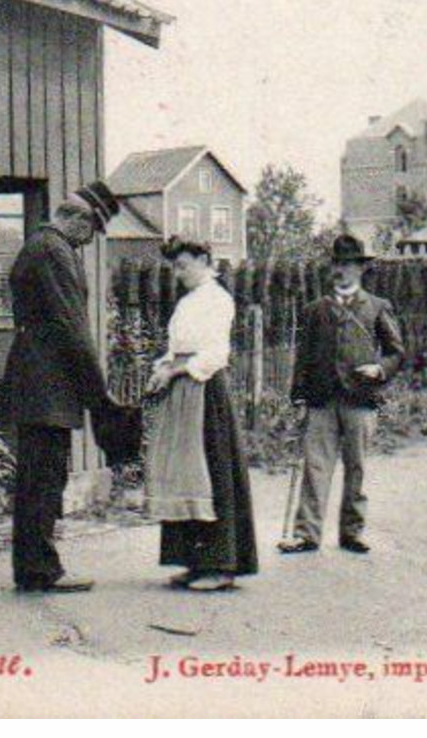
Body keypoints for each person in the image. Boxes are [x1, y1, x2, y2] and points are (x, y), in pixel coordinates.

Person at [4, 181, 123, 593]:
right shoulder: (55, 251)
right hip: (48, 383)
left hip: (39, 380)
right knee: (44, 477)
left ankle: (33, 567)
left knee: (38, 476)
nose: (89, 242)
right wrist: (99, 393)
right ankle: (40, 570)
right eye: (91, 231)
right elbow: (72, 326)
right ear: (77, 219)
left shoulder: (41, 245)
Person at [144, 237, 258, 592]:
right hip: (181, 391)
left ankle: (221, 565)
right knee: (184, 473)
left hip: (206, 392)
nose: (178, 274)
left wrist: (176, 371)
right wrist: (162, 367)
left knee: (213, 471)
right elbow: (176, 348)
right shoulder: (186, 302)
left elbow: (215, 353)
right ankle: (193, 562)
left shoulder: (218, 299)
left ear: (205, 260)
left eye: (184, 266)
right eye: (175, 268)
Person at [279, 233, 405, 555]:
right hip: (321, 400)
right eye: (337, 263)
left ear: (361, 269)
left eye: (349, 264)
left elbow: (396, 352)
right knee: (315, 467)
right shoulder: (314, 310)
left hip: (360, 400)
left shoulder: (377, 307)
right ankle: (307, 533)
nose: (342, 270)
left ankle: (352, 532)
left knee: (356, 467)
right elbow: (303, 357)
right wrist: (298, 396)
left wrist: (379, 369)